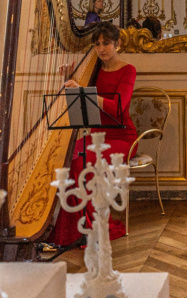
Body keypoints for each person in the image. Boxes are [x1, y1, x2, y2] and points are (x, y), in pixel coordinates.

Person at [49, 21, 137, 246]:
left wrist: (85, 92)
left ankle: (88, 225)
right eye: (97, 44)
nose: (101, 48)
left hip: (121, 137)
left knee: (81, 163)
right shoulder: (92, 70)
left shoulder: (128, 70)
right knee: (67, 158)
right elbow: (80, 101)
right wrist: (69, 78)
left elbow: (117, 108)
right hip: (96, 135)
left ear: (117, 44)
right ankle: (69, 228)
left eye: (106, 43)